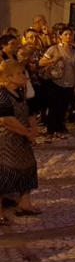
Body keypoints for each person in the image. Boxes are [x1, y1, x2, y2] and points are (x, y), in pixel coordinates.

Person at [0, 60, 41, 223]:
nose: (25, 76)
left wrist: (33, 131)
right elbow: (6, 120)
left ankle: (24, 204)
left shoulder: (21, 91)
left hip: (22, 139)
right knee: (4, 172)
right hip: (6, 141)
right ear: (8, 77)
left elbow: (30, 113)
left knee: (29, 167)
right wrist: (27, 133)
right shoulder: (2, 94)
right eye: (20, 73)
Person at [39, 27, 75, 138]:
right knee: (54, 107)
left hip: (70, 82)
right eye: (66, 34)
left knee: (64, 107)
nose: (68, 37)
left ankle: (59, 127)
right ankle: (50, 129)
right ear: (60, 36)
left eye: (70, 34)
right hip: (56, 82)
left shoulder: (74, 51)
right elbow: (41, 62)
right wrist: (53, 60)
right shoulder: (54, 49)